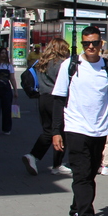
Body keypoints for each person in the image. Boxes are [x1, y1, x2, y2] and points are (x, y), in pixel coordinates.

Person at [52, 26, 108, 216]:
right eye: (86, 43)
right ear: (82, 44)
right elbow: (58, 98)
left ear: (101, 44)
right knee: (81, 173)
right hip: (75, 128)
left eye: (94, 43)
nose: (90, 47)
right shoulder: (71, 65)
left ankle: (76, 208)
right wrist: (56, 131)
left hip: (99, 129)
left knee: (91, 172)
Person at [22, 38, 72, 177]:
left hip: (43, 98)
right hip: (56, 99)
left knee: (48, 131)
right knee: (60, 131)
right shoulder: (60, 64)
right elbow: (63, 82)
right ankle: (57, 164)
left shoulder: (41, 62)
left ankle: (33, 156)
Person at [0, 47, 18, 136]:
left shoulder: (9, 66)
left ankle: (6, 128)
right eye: (1, 53)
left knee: (6, 110)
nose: (3, 55)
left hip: (6, 89)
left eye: (4, 53)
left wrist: (15, 90)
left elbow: (12, 78)